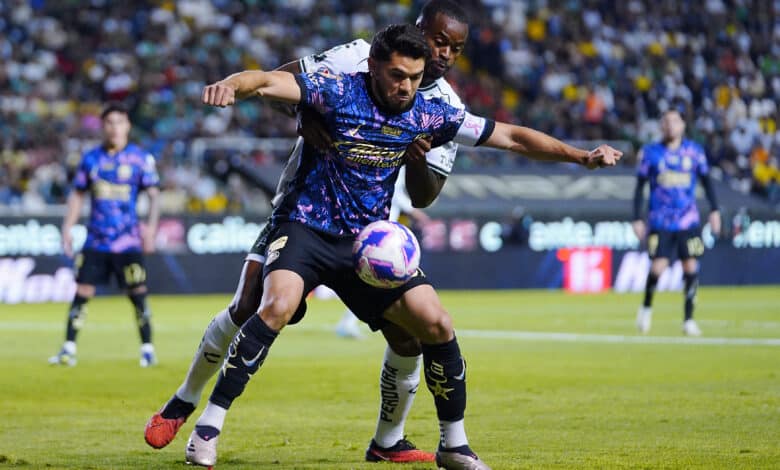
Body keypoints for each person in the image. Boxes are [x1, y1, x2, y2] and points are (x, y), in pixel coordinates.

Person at [181, 23, 621, 470]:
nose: (405, 86)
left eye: (413, 77)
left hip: (366, 243)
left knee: (436, 323)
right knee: (275, 305)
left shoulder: (429, 113)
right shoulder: (335, 91)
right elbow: (269, 80)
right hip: (306, 227)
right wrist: (231, 85)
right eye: (396, 76)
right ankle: (207, 427)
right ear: (373, 67)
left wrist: (579, 155)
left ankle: (453, 445)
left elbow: (511, 136)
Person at [147, 2, 472, 463]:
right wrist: (307, 117)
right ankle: (183, 400)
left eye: (455, 48)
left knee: (408, 336)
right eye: (438, 40)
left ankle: (388, 440)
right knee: (249, 304)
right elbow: (280, 80)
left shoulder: (447, 110)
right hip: (302, 207)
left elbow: (425, 196)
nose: (444, 53)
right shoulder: (354, 58)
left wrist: (414, 158)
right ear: (417, 31)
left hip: (364, 231)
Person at [49, 103, 161, 367]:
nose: (114, 127)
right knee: (82, 291)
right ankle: (68, 348)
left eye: (119, 122)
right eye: (109, 122)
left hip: (128, 240)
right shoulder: (91, 159)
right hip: (96, 240)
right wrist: (67, 228)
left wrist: (151, 230)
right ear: (103, 126)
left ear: (127, 126)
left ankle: (147, 349)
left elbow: (154, 196)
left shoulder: (139, 159)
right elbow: (77, 195)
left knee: (138, 293)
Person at [633, 109, 721, 336]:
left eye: (675, 121)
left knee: (691, 267)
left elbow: (707, 182)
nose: (670, 125)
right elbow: (639, 187)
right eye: (666, 122)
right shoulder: (651, 152)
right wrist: (637, 218)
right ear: (661, 126)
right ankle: (646, 307)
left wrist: (714, 210)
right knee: (658, 267)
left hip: (688, 220)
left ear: (683, 125)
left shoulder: (694, 151)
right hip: (660, 220)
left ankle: (689, 319)